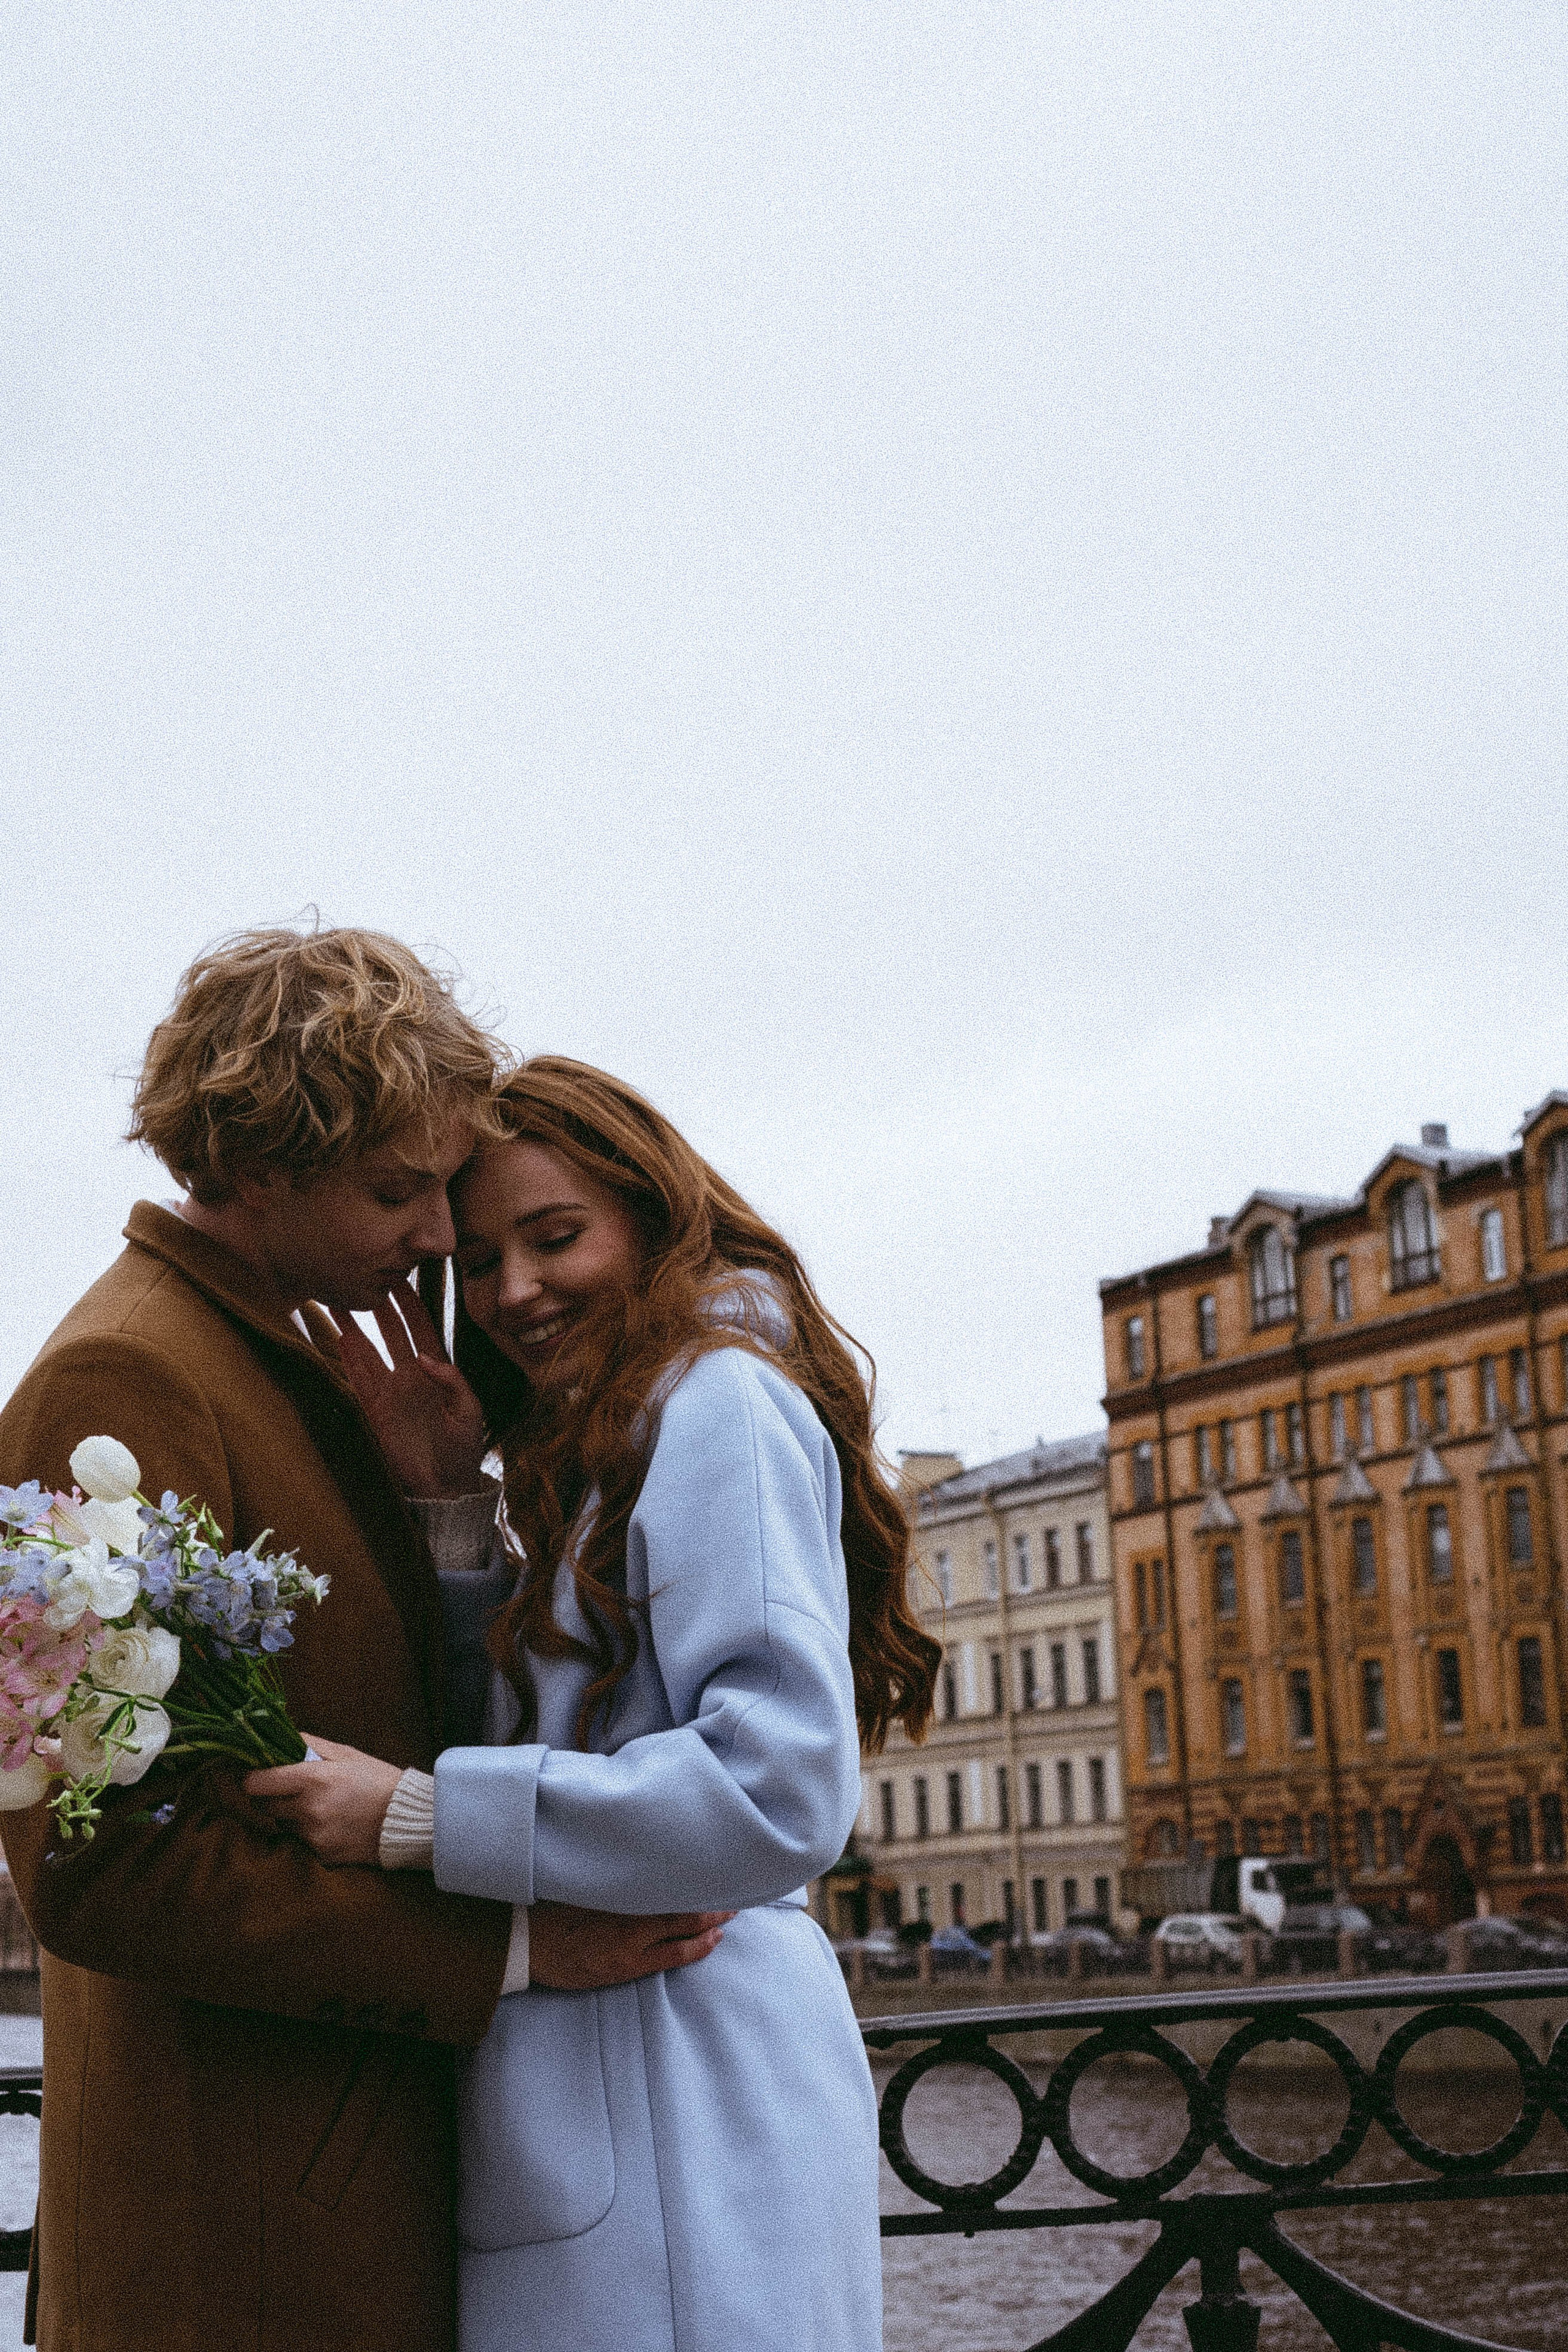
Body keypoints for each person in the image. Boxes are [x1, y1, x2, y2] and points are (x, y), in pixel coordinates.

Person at [0, 933, 726, 2352]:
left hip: (345, 2199)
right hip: (243, 2242)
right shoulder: (122, 1378)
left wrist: (450, 1504)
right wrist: (514, 1949)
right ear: (255, 1168)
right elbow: (102, 1868)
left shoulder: (301, 1355)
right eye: (399, 1191)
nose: (441, 1238)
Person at [249, 1057, 942, 2352]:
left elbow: (775, 1786)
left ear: (651, 1217)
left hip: (683, 2081)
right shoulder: (616, 1440)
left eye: (556, 1237)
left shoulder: (715, 1401)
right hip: (638, 2086)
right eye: (479, 1261)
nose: (514, 1291)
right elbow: (552, 1729)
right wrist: (453, 1507)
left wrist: (412, 1817)